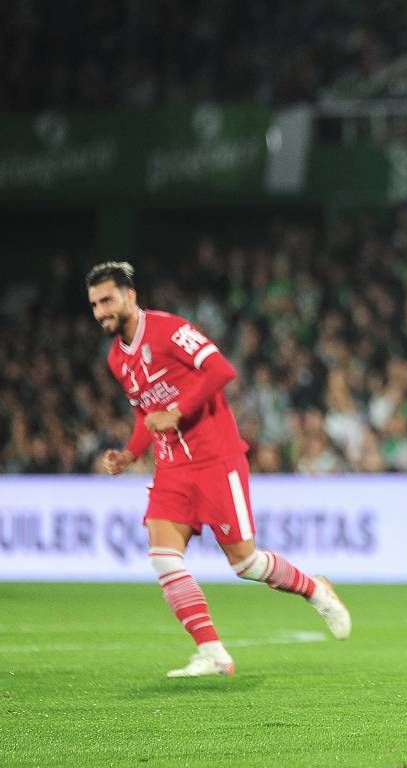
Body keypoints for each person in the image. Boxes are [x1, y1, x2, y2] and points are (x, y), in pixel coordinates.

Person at [87, 261, 351, 678]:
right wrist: (130, 453)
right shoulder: (117, 360)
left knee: (246, 564)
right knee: (162, 557)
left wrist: (177, 411)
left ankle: (315, 589)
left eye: (108, 300)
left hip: (215, 459)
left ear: (130, 296)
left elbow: (221, 370)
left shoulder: (169, 330)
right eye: (95, 304)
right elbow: (144, 414)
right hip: (173, 467)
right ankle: (212, 652)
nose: (102, 311)